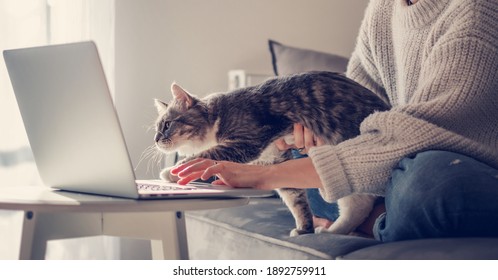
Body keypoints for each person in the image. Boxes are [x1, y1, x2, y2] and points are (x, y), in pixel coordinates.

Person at [171, 0, 498, 242]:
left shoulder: (475, 13)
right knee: (303, 162)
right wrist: (320, 141)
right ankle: (373, 213)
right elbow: (360, 107)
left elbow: (426, 132)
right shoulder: (383, 9)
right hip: (387, 163)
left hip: (462, 164)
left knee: (428, 183)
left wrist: (264, 175)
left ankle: (374, 219)